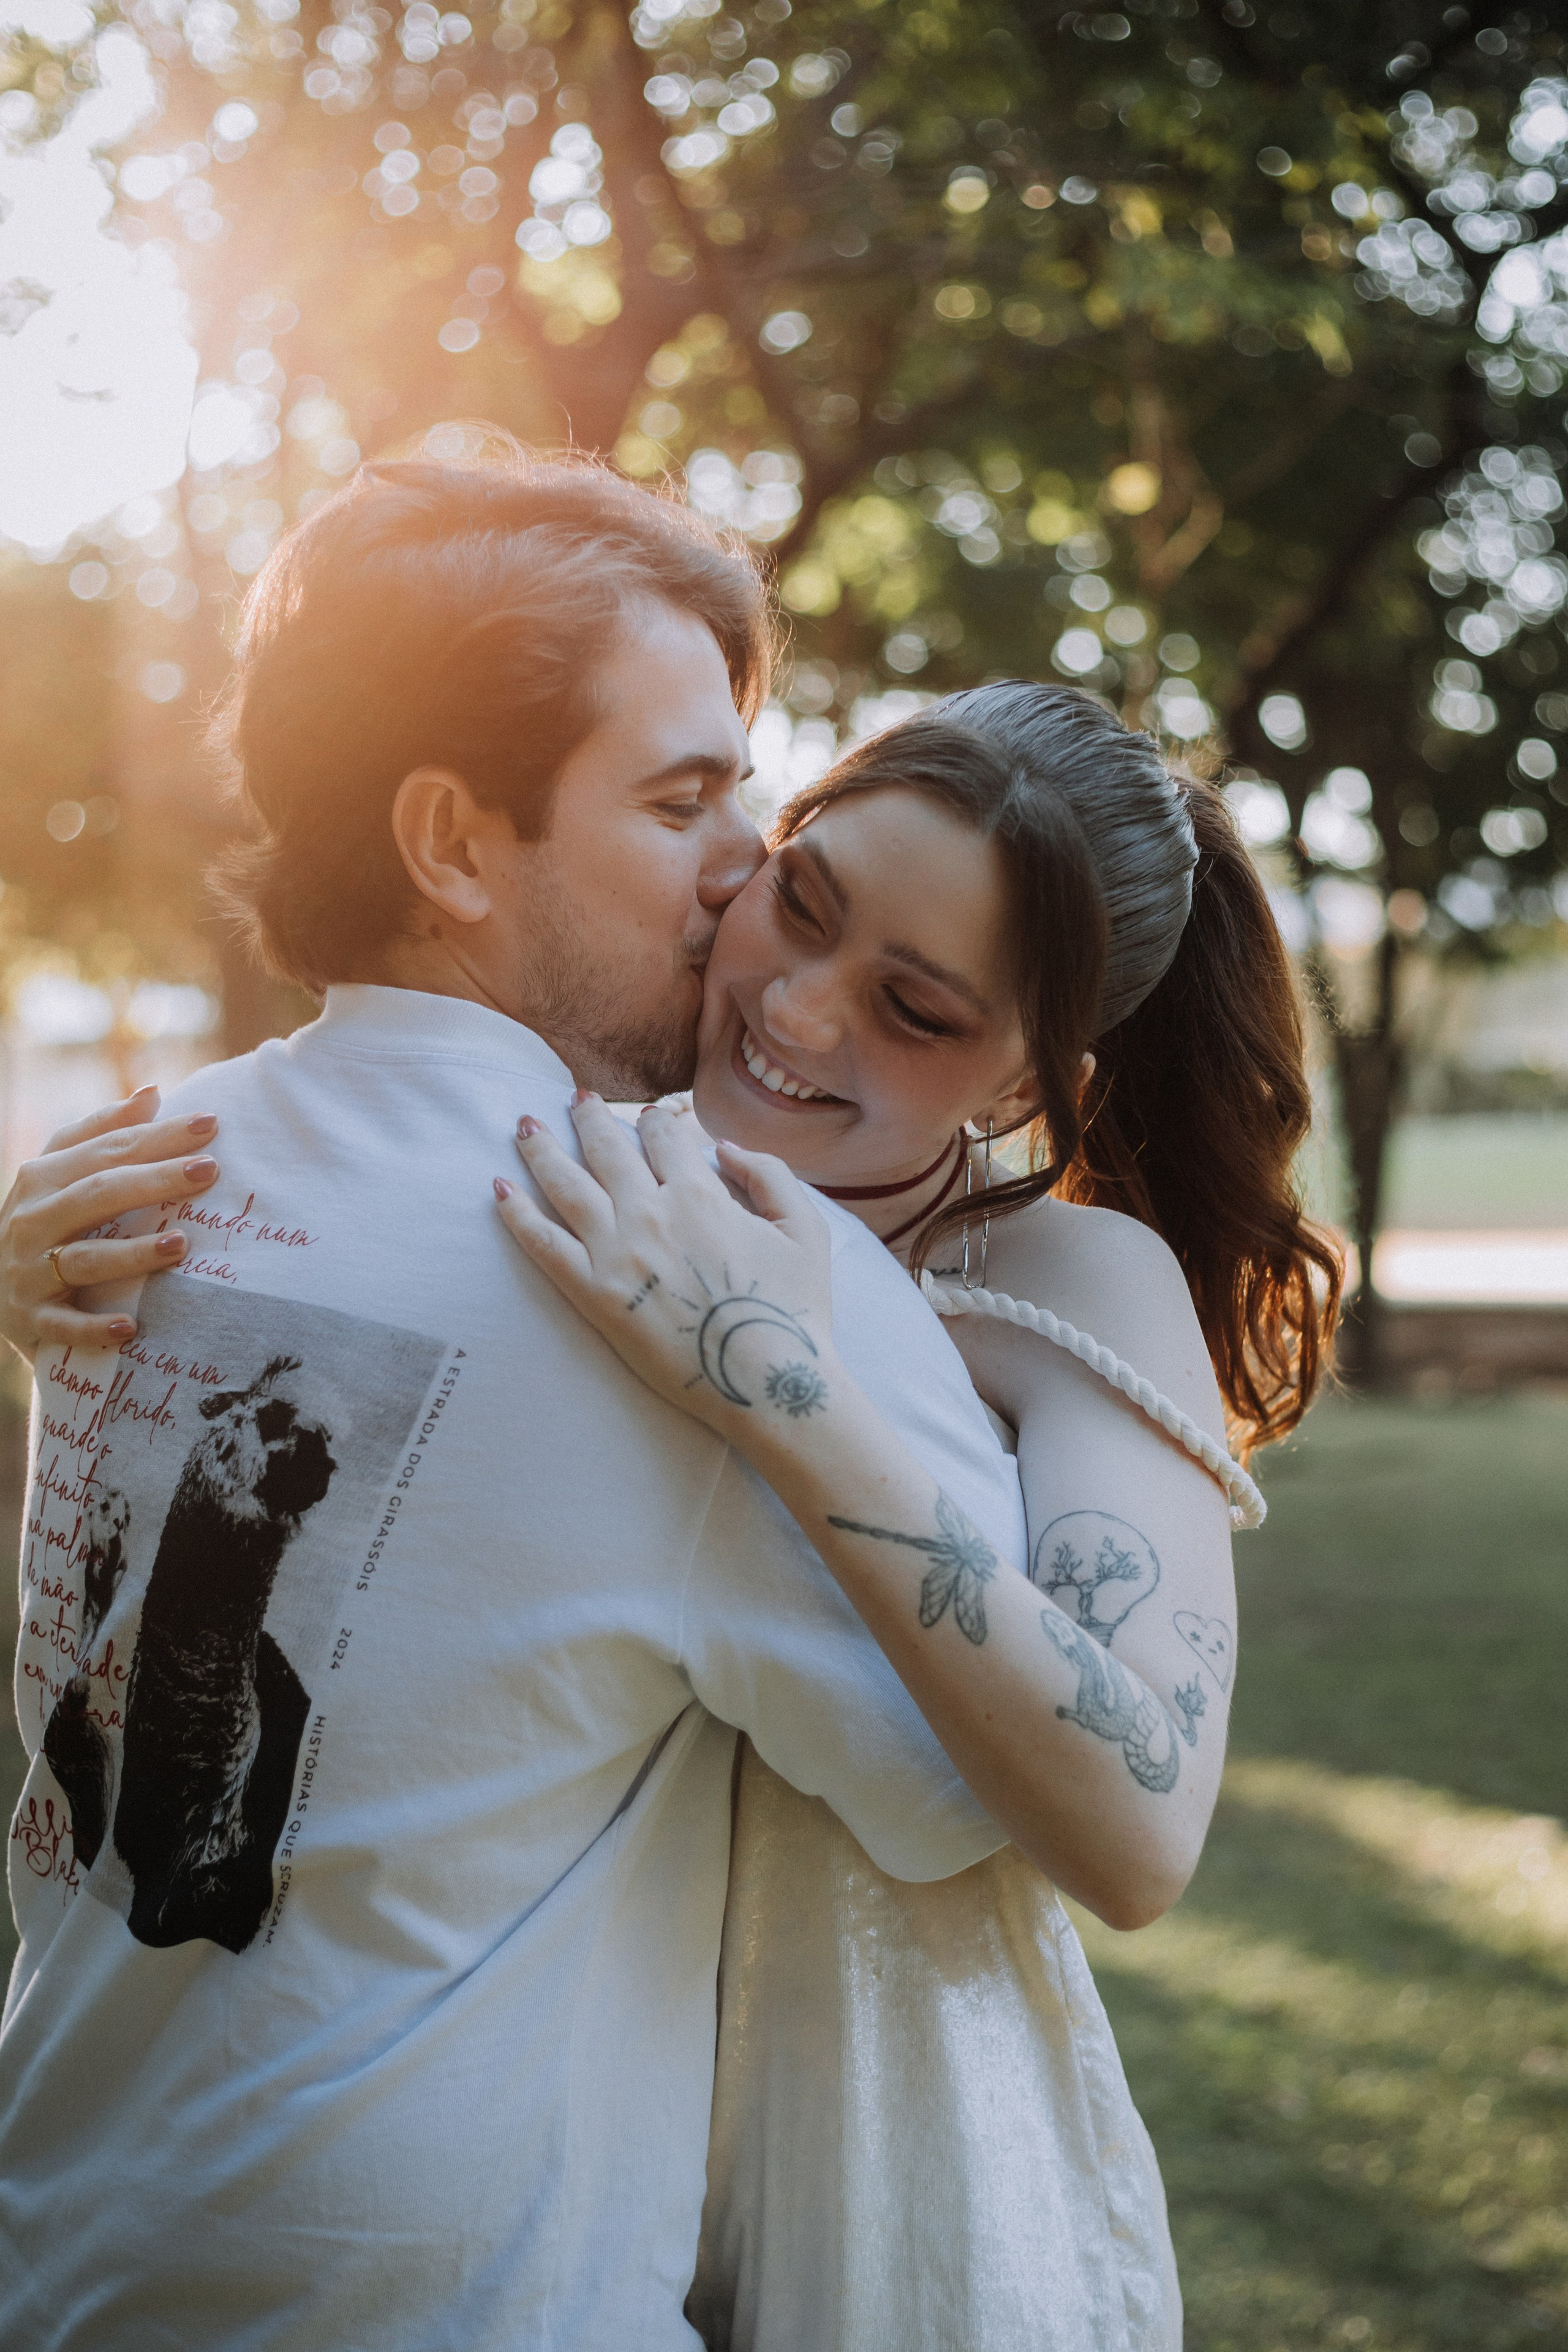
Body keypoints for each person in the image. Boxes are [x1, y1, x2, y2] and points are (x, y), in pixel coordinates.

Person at [0, 450, 1045, 2351]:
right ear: (455, 843)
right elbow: (984, 1798)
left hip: (64, 2268)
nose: (749, 862)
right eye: (678, 800)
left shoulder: (129, 1178)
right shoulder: (698, 1277)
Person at [489, 695, 1340, 2350]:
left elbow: (1142, 1833)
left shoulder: (1064, 1281)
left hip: (885, 2170)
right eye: (803, 903)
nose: (799, 1014)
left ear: (1034, 1072)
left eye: (916, 1009)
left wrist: (780, 1384)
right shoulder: (586, 1103)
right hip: (523, 2143)